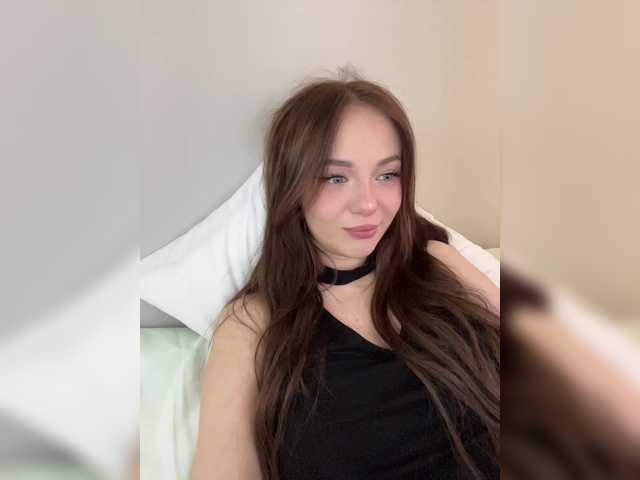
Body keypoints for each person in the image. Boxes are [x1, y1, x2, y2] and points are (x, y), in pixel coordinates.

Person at [191, 69, 500, 480]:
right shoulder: (253, 324)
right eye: (336, 178)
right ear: (291, 186)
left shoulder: (437, 261)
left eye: (386, 175)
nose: (368, 204)